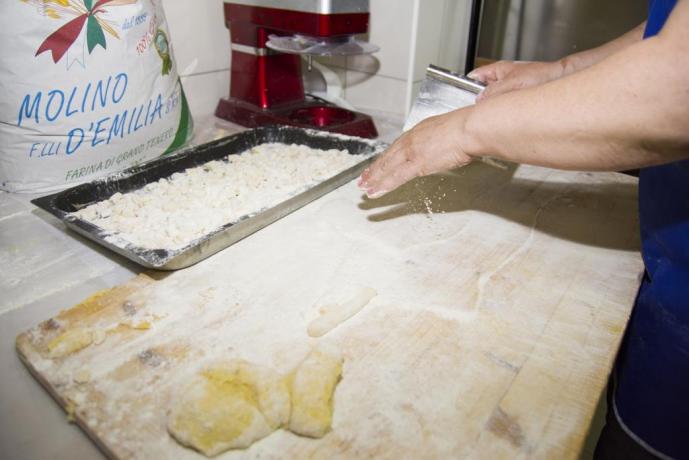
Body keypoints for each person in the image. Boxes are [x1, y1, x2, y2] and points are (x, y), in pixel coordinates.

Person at [358, 0, 689, 458]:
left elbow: (675, 92)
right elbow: (668, 28)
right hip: (669, 290)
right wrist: (563, 70)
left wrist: (465, 131)